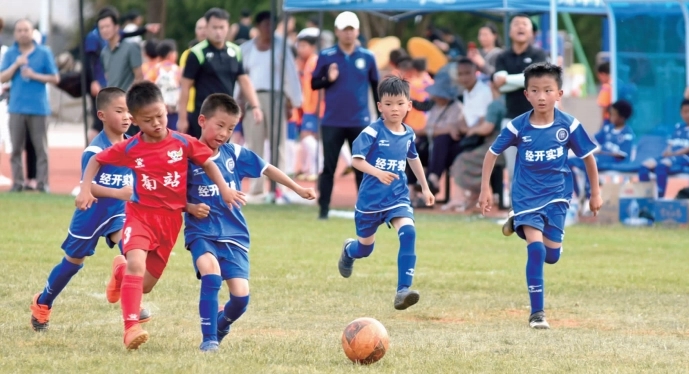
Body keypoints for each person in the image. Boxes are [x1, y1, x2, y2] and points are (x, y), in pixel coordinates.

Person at [75, 81, 246, 350]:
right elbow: (97, 160)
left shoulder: (182, 142)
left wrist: (224, 189)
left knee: (144, 285)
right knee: (137, 265)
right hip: (139, 215)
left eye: (160, 116)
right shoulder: (131, 147)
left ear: (166, 110)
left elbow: (208, 163)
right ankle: (131, 327)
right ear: (134, 121)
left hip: (169, 223)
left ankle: (120, 272)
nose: (156, 123)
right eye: (148, 119)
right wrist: (85, 188)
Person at [184, 93, 316, 351]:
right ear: (202, 120)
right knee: (211, 276)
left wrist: (297, 188)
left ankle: (221, 324)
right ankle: (209, 339)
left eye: (231, 128)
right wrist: (190, 207)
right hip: (202, 232)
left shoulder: (234, 154)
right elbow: (171, 195)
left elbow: (267, 168)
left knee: (241, 299)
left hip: (234, 234)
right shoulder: (186, 156)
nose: (224, 133)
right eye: (219, 125)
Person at [478, 62, 601, 329]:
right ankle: (537, 314)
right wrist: (485, 188)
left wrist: (595, 193)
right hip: (525, 196)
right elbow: (492, 153)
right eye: (535, 90)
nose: (541, 96)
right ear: (526, 94)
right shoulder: (518, 126)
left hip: (557, 196)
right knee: (535, 250)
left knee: (551, 255)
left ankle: (524, 226)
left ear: (559, 94)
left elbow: (588, 158)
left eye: (548, 90)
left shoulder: (568, 125)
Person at [29, 88, 151, 331]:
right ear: (102, 115)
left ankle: (130, 299)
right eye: (119, 111)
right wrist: (118, 192)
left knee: (133, 251)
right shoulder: (95, 150)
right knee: (72, 264)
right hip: (91, 214)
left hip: (119, 213)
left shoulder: (134, 145)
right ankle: (43, 303)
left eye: (129, 111)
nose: (127, 117)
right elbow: (88, 187)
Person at [337, 76, 435, 310]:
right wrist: (378, 173)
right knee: (365, 249)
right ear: (380, 106)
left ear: (409, 105)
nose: (395, 109)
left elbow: (413, 158)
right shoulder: (372, 132)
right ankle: (349, 251)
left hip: (397, 197)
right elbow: (357, 161)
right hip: (370, 202)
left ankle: (403, 291)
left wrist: (425, 186)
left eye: (400, 103)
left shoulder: (409, 133)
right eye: (389, 104)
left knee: (409, 232)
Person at [311, 11, 380, 220]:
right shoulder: (327, 55)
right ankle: (323, 209)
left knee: (362, 166)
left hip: (359, 120)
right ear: (337, 31)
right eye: (344, 29)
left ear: (357, 31)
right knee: (329, 167)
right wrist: (328, 79)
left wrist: (381, 117)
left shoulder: (367, 57)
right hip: (332, 120)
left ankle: (365, 210)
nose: (348, 34)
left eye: (351, 29)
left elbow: (376, 86)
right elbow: (315, 83)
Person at [238, 10, 302, 201]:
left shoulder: (282, 46)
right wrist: (238, 100)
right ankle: (257, 189)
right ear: (258, 26)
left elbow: (290, 74)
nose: (268, 28)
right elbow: (241, 77)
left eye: (271, 24)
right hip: (253, 98)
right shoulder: (247, 48)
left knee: (278, 143)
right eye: (265, 24)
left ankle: (279, 188)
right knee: (254, 142)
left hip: (276, 97)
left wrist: (293, 101)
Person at [179, 7, 262, 139]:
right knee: (202, 154)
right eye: (214, 27)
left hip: (226, 114)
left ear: (228, 27)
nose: (218, 32)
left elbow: (244, 80)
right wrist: (182, 118)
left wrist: (255, 106)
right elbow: (185, 87)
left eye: (222, 27)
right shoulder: (197, 52)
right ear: (207, 28)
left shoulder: (235, 51)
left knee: (222, 154)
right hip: (204, 115)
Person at [0, 19, 59, 193]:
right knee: (16, 148)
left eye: (26, 30)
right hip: (16, 107)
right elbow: (2, 77)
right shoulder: (11, 54)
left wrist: (34, 75)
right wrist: (16, 65)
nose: (23, 33)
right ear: (15, 33)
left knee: (41, 149)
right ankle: (17, 182)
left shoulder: (44, 52)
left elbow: (55, 78)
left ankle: (42, 184)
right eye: (19, 30)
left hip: (39, 108)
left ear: (32, 32)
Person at [493, 14, 547, 187]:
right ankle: (516, 210)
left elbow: (537, 81)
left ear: (531, 32)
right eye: (516, 24)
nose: (520, 27)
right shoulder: (502, 57)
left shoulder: (539, 54)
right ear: (509, 31)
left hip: (537, 121)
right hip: (511, 120)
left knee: (536, 167)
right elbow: (498, 85)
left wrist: (508, 80)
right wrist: (525, 80)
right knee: (512, 168)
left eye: (525, 24)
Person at [569, 100, 634, 206]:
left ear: (622, 117)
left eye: (613, 114)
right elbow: (593, 138)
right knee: (568, 162)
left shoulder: (627, 133)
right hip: (599, 158)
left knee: (591, 162)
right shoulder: (607, 128)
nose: (610, 116)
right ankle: (579, 193)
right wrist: (577, 133)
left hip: (614, 161)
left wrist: (602, 152)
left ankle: (589, 196)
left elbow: (622, 155)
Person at [98, 10, 143, 136]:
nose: (105, 30)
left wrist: (129, 101)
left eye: (107, 26)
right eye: (101, 27)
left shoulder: (131, 47)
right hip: (111, 108)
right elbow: (108, 77)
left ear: (116, 27)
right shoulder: (104, 53)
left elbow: (139, 77)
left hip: (128, 108)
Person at [638, 100, 689, 198]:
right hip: (671, 156)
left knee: (661, 166)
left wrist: (675, 153)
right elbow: (671, 143)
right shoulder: (679, 127)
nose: (686, 115)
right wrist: (667, 151)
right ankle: (645, 197)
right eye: (684, 112)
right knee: (644, 166)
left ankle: (660, 198)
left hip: (684, 158)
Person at [293, 28, 323, 181]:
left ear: (312, 47)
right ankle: (310, 168)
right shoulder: (307, 63)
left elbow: (319, 87)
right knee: (309, 138)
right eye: (299, 45)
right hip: (308, 107)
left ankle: (316, 168)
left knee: (307, 137)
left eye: (304, 46)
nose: (300, 49)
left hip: (314, 107)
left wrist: (318, 106)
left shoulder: (314, 61)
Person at [178, 17, 207, 135]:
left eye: (205, 28)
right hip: (192, 106)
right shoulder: (188, 54)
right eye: (199, 28)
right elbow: (183, 80)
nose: (202, 31)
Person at [147, 40, 180, 130]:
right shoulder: (177, 69)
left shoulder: (154, 69)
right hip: (174, 108)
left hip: (158, 107)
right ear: (171, 54)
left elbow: (147, 85)